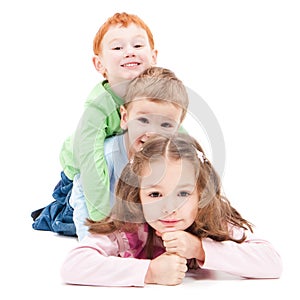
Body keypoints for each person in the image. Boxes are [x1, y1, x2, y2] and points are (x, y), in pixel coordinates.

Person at [60, 133, 282, 287]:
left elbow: (272, 262)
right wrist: (150, 272)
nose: (168, 208)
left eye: (183, 194)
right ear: (137, 195)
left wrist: (199, 248)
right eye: (154, 195)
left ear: (201, 194)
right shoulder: (127, 229)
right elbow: (73, 266)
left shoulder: (210, 220)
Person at [31, 12, 158, 236]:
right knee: (74, 218)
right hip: (81, 174)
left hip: (119, 171)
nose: (129, 51)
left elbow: (174, 130)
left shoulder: (157, 95)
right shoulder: (99, 107)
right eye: (118, 48)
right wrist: (102, 221)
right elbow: (90, 163)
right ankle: (53, 213)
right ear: (100, 64)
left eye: (138, 45)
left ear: (154, 56)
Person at [70, 66, 189, 240]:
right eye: (143, 120)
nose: (152, 133)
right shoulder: (109, 155)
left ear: (177, 129)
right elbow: (83, 190)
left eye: (165, 125)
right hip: (89, 203)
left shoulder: (174, 162)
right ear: (125, 118)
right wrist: (93, 240)